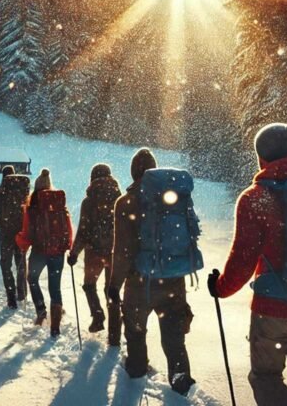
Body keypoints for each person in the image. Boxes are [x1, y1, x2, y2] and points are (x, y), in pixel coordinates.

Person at [207, 123, 287, 406]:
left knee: (266, 377)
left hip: (273, 309)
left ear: (261, 158)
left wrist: (220, 288)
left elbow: (243, 260)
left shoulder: (254, 198)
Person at [109, 149, 197, 396]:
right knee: (174, 338)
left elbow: (123, 250)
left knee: (136, 332)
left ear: (133, 171)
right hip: (173, 278)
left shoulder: (126, 202)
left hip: (139, 283)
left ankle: (136, 375)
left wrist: (114, 284)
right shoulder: (173, 196)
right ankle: (180, 384)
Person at [67, 163, 122, 344]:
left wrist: (74, 253)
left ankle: (97, 315)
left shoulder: (89, 201)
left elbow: (83, 230)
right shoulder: (119, 197)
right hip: (115, 250)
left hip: (94, 250)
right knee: (111, 289)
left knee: (89, 285)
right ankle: (115, 331)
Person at [16, 169, 73, 337]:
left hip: (40, 251)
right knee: (55, 287)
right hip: (58, 252)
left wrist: (20, 241)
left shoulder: (32, 205)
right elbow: (68, 228)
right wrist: (67, 246)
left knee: (32, 279)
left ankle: (41, 310)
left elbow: (27, 233)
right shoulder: (59, 203)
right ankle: (55, 326)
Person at [0, 166, 30, 309]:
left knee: (6, 263)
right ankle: (22, 292)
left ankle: (11, 297)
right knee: (20, 262)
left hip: (6, 233)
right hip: (21, 232)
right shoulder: (23, 190)